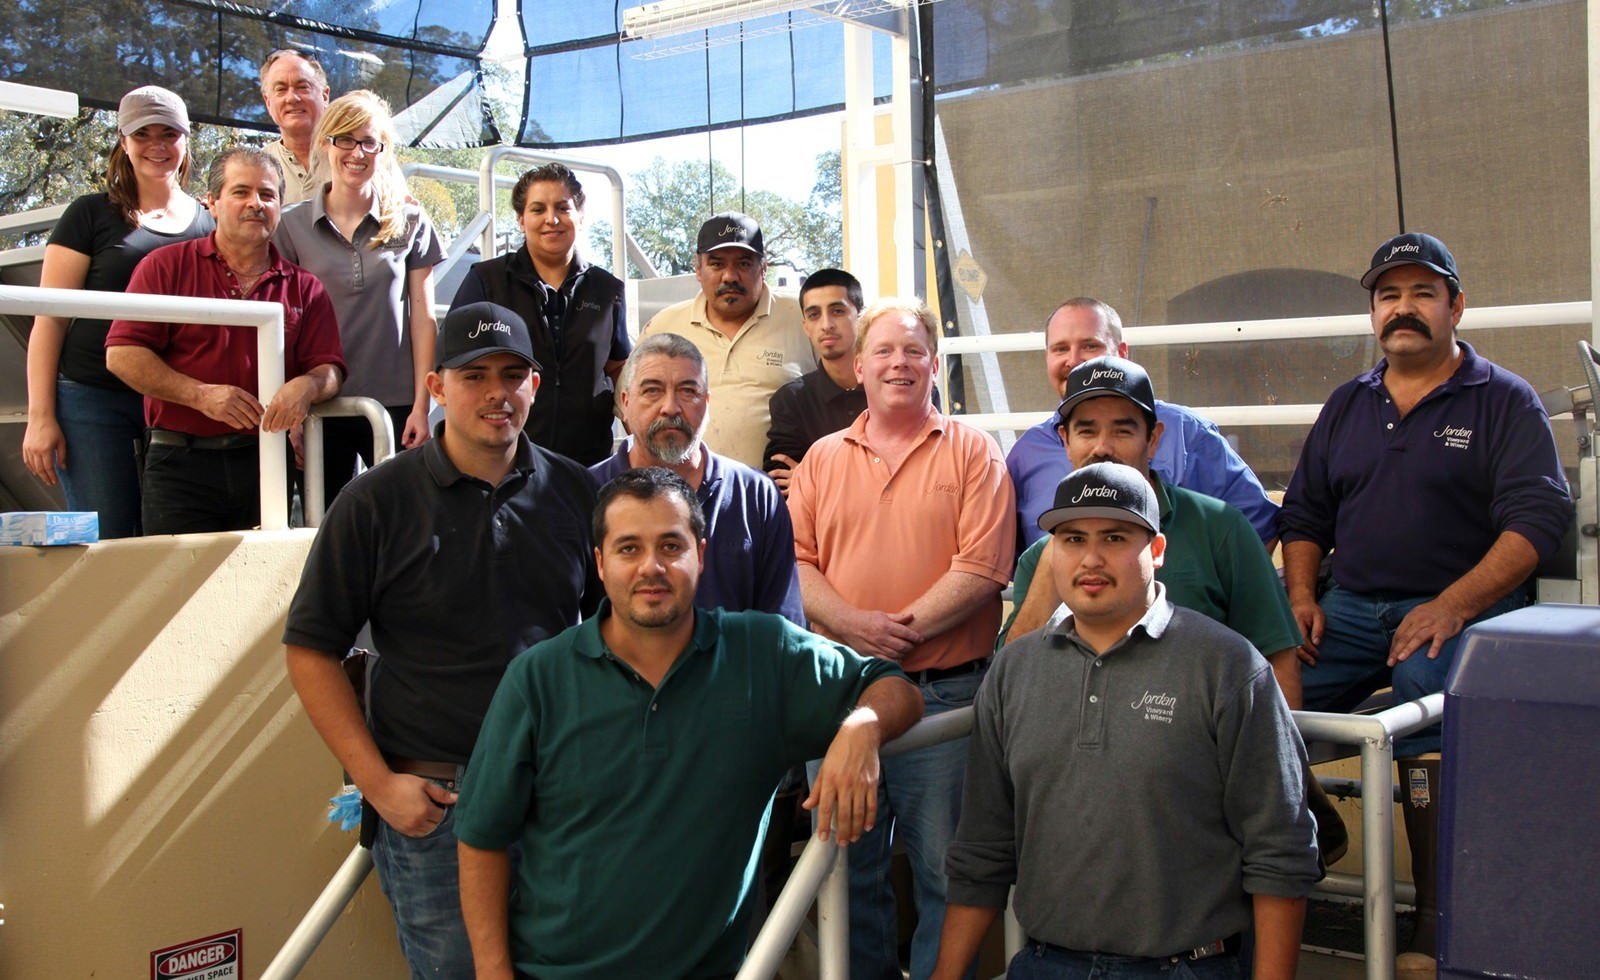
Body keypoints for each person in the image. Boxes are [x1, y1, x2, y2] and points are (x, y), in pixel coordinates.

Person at [453, 466, 922, 979]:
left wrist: (862, 727)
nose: (650, 567)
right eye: (628, 548)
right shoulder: (538, 678)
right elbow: (482, 837)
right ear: (600, 564)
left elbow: (892, 685)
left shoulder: (762, 653)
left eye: (671, 546)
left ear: (701, 554)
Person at [1279, 232, 1572, 978]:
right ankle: (1308, 832)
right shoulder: (1347, 403)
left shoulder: (1504, 400)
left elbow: (1537, 523)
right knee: (1253, 689)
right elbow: (1304, 517)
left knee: (1427, 704)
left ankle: (1434, 918)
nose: (1402, 309)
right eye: (1388, 296)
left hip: (1460, 612)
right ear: (1373, 312)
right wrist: (1302, 597)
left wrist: (1450, 606)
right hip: (1346, 608)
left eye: (1421, 294)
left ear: (1456, 307)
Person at [282, 302, 601, 980]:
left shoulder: (577, 493)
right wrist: (378, 784)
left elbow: (613, 638)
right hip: (435, 812)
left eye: (513, 375)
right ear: (436, 387)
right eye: (474, 375)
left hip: (558, 803)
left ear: (535, 386)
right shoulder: (374, 502)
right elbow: (311, 649)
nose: (496, 393)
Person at [931, 462, 1321, 980]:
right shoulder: (1013, 671)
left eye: (1115, 537)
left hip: (1184, 968)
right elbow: (982, 847)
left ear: (1157, 550)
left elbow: (1281, 850)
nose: (1091, 558)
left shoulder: (1226, 665)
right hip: (1044, 964)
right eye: (1072, 539)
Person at [789, 298, 1015, 980]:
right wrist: (856, 628)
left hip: (945, 700)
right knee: (846, 875)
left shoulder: (975, 453)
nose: (899, 363)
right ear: (857, 367)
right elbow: (795, 563)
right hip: (836, 697)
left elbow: (982, 570)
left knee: (948, 875)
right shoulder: (821, 459)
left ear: (936, 365)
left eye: (914, 351)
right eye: (883, 351)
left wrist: (894, 632)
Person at [105, 147, 345, 534]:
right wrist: (199, 395)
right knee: (175, 588)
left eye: (268, 195)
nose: (256, 204)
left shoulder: (305, 287)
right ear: (212, 204)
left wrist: (309, 385)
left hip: (266, 460)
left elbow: (330, 368)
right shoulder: (164, 268)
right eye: (241, 192)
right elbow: (123, 354)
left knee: (264, 590)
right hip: (179, 463)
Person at [21, 85, 215, 538]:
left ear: (185, 140)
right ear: (123, 142)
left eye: (168, 133)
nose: (157, 146)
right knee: (105, 537)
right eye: (142, 134)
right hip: (91, 398)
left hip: (176, 402)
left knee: (172, 537)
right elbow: (49, 319)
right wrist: (40, 417)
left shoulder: (210, 224)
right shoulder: (89, 214)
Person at [275, 89, 444, 500]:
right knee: (330, 525)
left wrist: (423, 404)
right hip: (322, 403)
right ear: (325, 143)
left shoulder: (409, 222)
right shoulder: (291, 226)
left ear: (382, 150)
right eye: (345, 139)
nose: (357, 152)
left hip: (396, 405)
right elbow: (285, 325)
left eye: (370, 142)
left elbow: (423, 316)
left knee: (407, 521)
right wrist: (293, 411)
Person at [1005, 297, 1278, 551]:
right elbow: (1010, 562)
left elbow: (1258, 529)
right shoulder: (1026, 455)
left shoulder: (1186, 433)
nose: (1074, 360)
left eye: (1090, 345)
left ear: (1122, 353)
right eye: (1060, 348)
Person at [590, 332, 803, 622]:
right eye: (652, 390)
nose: (670, 407)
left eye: (688, 391)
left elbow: (783, 626)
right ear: (625, 402)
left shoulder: (755, 495)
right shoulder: (586, 491)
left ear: (707, 402)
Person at [451, 163, 629, 466]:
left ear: (580, 215)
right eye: (537, 209)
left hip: (588, 464)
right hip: (504, 461)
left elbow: (619, 368)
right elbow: (456, 366)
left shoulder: (607, 289)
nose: (551, 219)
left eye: (563, 207)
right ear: (521, 220)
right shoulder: (486, 280)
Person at [640, 212, 813, 469]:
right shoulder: (664, 326)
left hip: (778, 497)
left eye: (743, 264)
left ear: (763, 268)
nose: (730, 276)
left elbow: (846, 391)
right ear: (698, 269)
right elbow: (632, 406)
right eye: (717, 264)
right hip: (683, 497)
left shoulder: (804, 316)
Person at [764, 267, 867, 494]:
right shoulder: (791, 400)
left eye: (838, 311)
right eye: (814, 315)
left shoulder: (894, 388)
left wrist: (815, 481)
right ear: (806, 327)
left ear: (861, 317)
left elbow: (913, 472)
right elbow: (781, 481)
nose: (826, 324)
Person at [259, 48, 332, 204]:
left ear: (325, 96)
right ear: (268, 101)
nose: (292, 98)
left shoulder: (357, 157)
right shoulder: (257, 168)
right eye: (281, 89)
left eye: (302, 87)